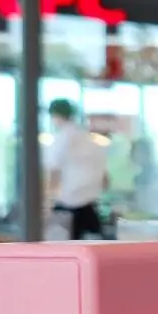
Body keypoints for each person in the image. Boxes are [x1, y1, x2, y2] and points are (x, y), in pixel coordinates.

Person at [45, 98, 110, 239]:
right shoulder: (89, 139)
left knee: (64, 248)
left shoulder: (61, 139)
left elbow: (54, 172)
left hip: (67, 206)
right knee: (92, 245)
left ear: (55, 116)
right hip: (90, 206)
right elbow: (105, 179)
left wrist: (47, 201)